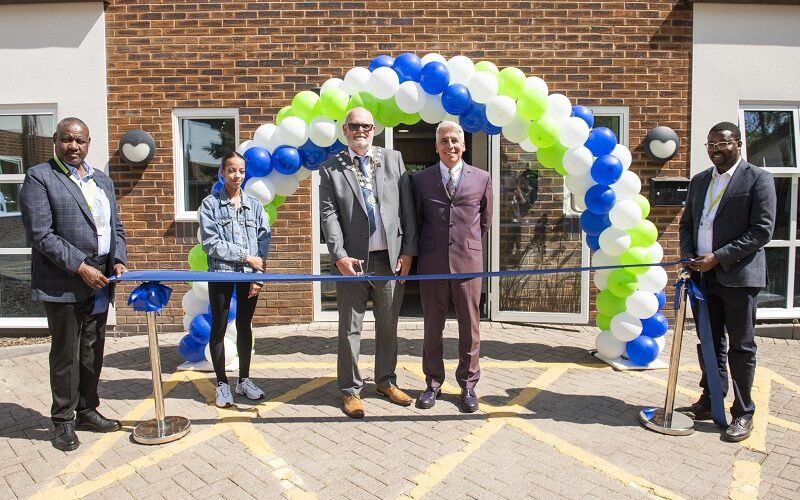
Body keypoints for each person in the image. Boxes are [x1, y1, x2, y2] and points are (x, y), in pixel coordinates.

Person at [20, 117, 128, 452]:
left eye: (80, 141)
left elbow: (116, 228)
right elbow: (41, 234)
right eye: (67, 139)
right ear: (56, 140)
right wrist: (80, 267)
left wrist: (118, 259)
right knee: (66, 352)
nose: (74, 146)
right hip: (64, 280)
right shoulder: (40, 177)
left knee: (93, 349)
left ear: (89, 142)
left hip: (100, 279)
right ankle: (63, 421)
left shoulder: (102, 182)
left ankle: (87, 410)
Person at [677, 121, 776, 442]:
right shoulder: (700, 181)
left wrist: (717, 256)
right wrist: (691, 256)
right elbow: (687, 224)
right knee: (709, 342)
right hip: (703, 278)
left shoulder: (758, 179)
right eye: (711, 145)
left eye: (722, 143)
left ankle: (743, 411)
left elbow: (762, 230)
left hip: (739, 278)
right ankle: (710, 401)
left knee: (741, 347)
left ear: (738, 144)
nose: (716, 150)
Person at [319, 107, 418, 418]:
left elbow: (407, 208)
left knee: (389, 325)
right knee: (351, 327)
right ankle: (350, 390)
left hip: (389, 259)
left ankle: (386, 381)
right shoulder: (330, 168)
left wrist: (408, 250)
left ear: (373, 129)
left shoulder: (393, 159)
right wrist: (339, 255)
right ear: (345, 130)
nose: (360, 131)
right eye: (354, 126)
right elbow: (328, 215)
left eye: (365, 126)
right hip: (353, 262)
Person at [412, 121, 493, 413]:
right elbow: (418, 221)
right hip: (432, 263)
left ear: (464, 145)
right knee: (432, 327)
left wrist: (465, 244)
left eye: (455, 140)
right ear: (436, 146)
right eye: (444, 141)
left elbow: (484, 222)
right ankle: (433, 382)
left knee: (469, 328)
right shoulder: (420, 180)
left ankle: (468, 385)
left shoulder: (482, 178)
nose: (450, 146)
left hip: (468, 262)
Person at [199, 152, 271, 408]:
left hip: (250, 277)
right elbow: (210, 243)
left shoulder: (256, 206)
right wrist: (246, 257)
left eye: (241, 170)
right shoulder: (209, 205)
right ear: (222, 172)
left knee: (244, 326)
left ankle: (243, 379)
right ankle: (221, 383)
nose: (236, 175)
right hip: (220, 273)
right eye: (231, 170)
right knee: (218, 327)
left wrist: (258, 275)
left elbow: (263, 241)